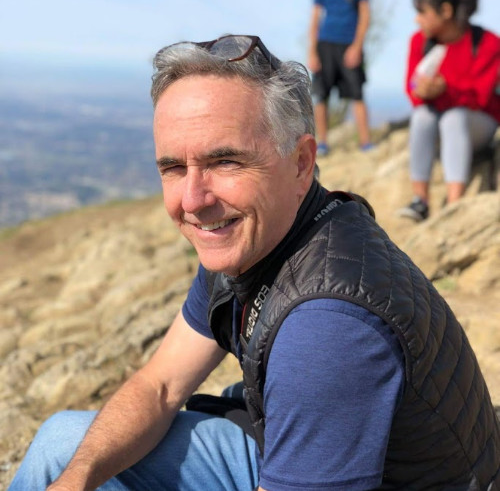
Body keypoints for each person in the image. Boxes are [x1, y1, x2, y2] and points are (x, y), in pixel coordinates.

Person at [9, 34, 500, 491]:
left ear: (301, 163)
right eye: (174, 167)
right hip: (294, 452)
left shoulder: (326, 330)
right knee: (63, 446)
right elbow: (160, 386)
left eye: (226, 161)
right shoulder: (255, 238)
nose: (194, 200)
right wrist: (77, 479)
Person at [398, 0, 500, 222]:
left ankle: (454, 204)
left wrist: (444, 91)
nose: (417, 19)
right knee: (421, 115)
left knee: (453, 118)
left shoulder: (488, 43)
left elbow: (481, 98)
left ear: (446, 11)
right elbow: (411, 88)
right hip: (438, 124)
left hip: (477, 125)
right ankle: (420, 201)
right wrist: (422, 91)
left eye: (422, 12)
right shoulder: (419, 42)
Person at [308, 0, 373, 156]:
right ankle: (322, 144)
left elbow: (365, 15)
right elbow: (315, 17)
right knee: (321, 95)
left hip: (349, 44)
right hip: (325, 44)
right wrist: (312, 51)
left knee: (358, 94)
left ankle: (365, 142)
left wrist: (357, 47)